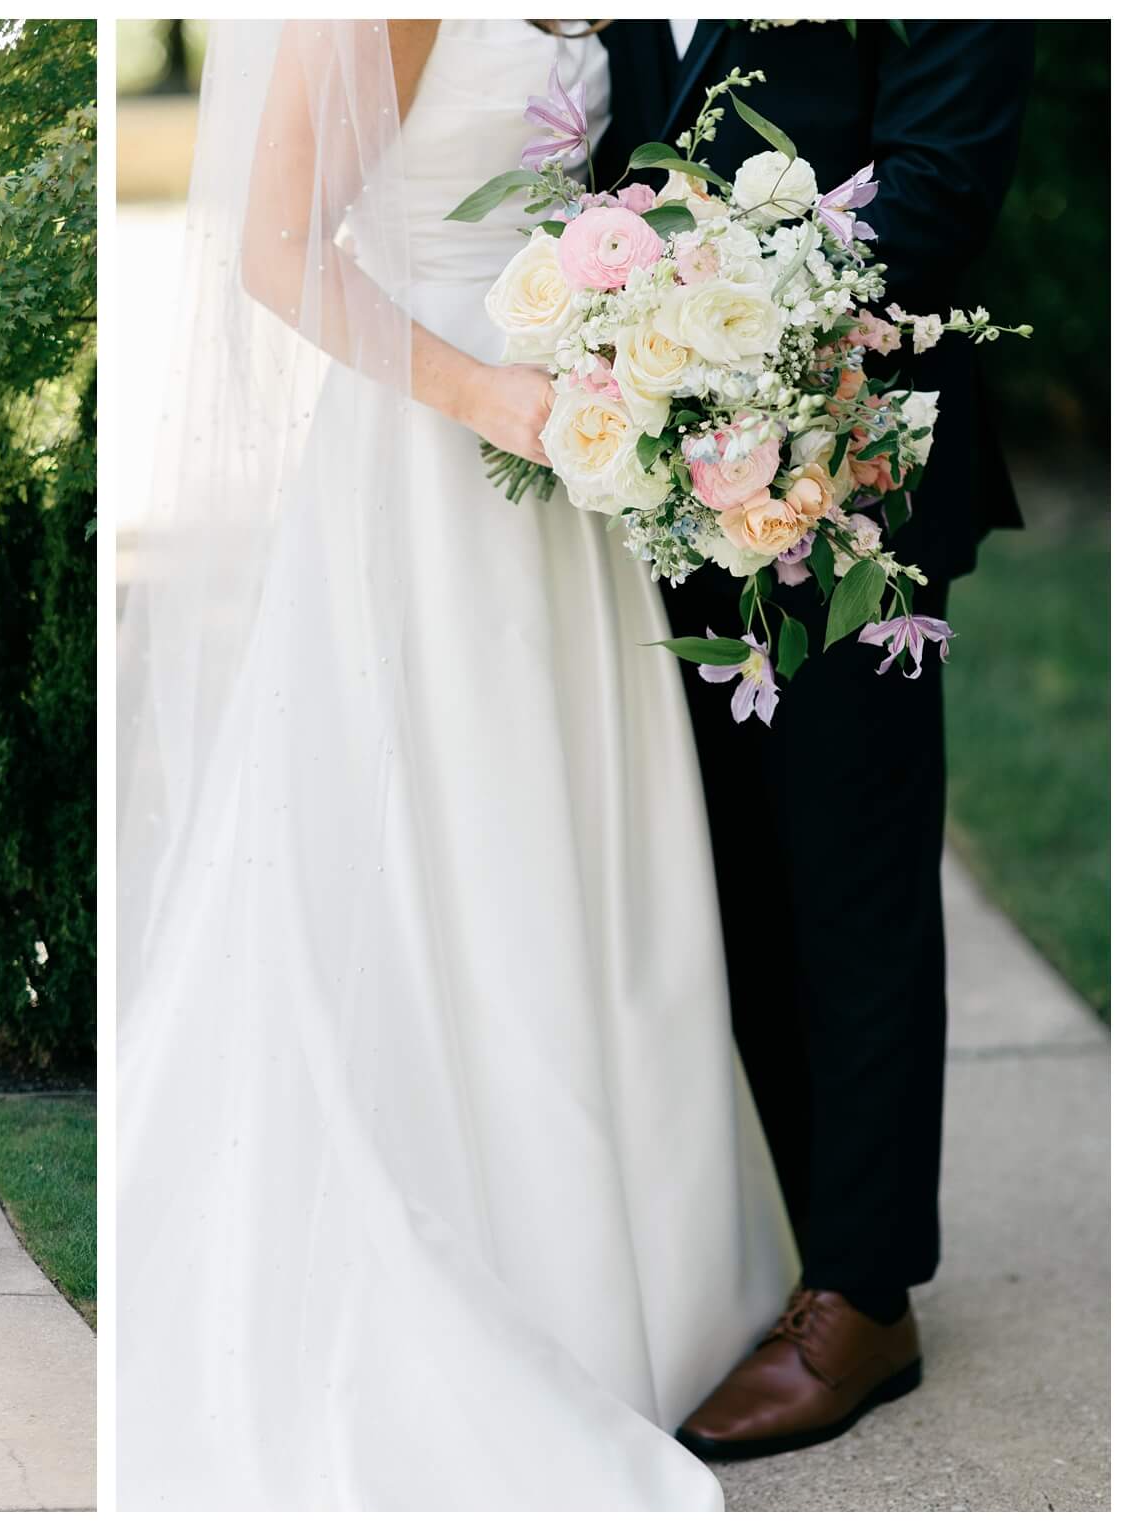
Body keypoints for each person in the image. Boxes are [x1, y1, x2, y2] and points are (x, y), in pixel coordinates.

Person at [116, 20, 792, 1510]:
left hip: (575, 447)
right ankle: (531, 1295)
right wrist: (488, 395)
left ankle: (658, 1286)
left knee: (583, 853)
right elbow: (276, 250)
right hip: (442, 458)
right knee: (469, 852)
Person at [593, 18, 1032, 1460]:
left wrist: (727, 356)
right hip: (658, 476)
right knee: (728, 873)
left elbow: (937, 191)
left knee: (851, 880)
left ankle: (864, 1294)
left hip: (852, 466)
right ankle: (785, 1237)